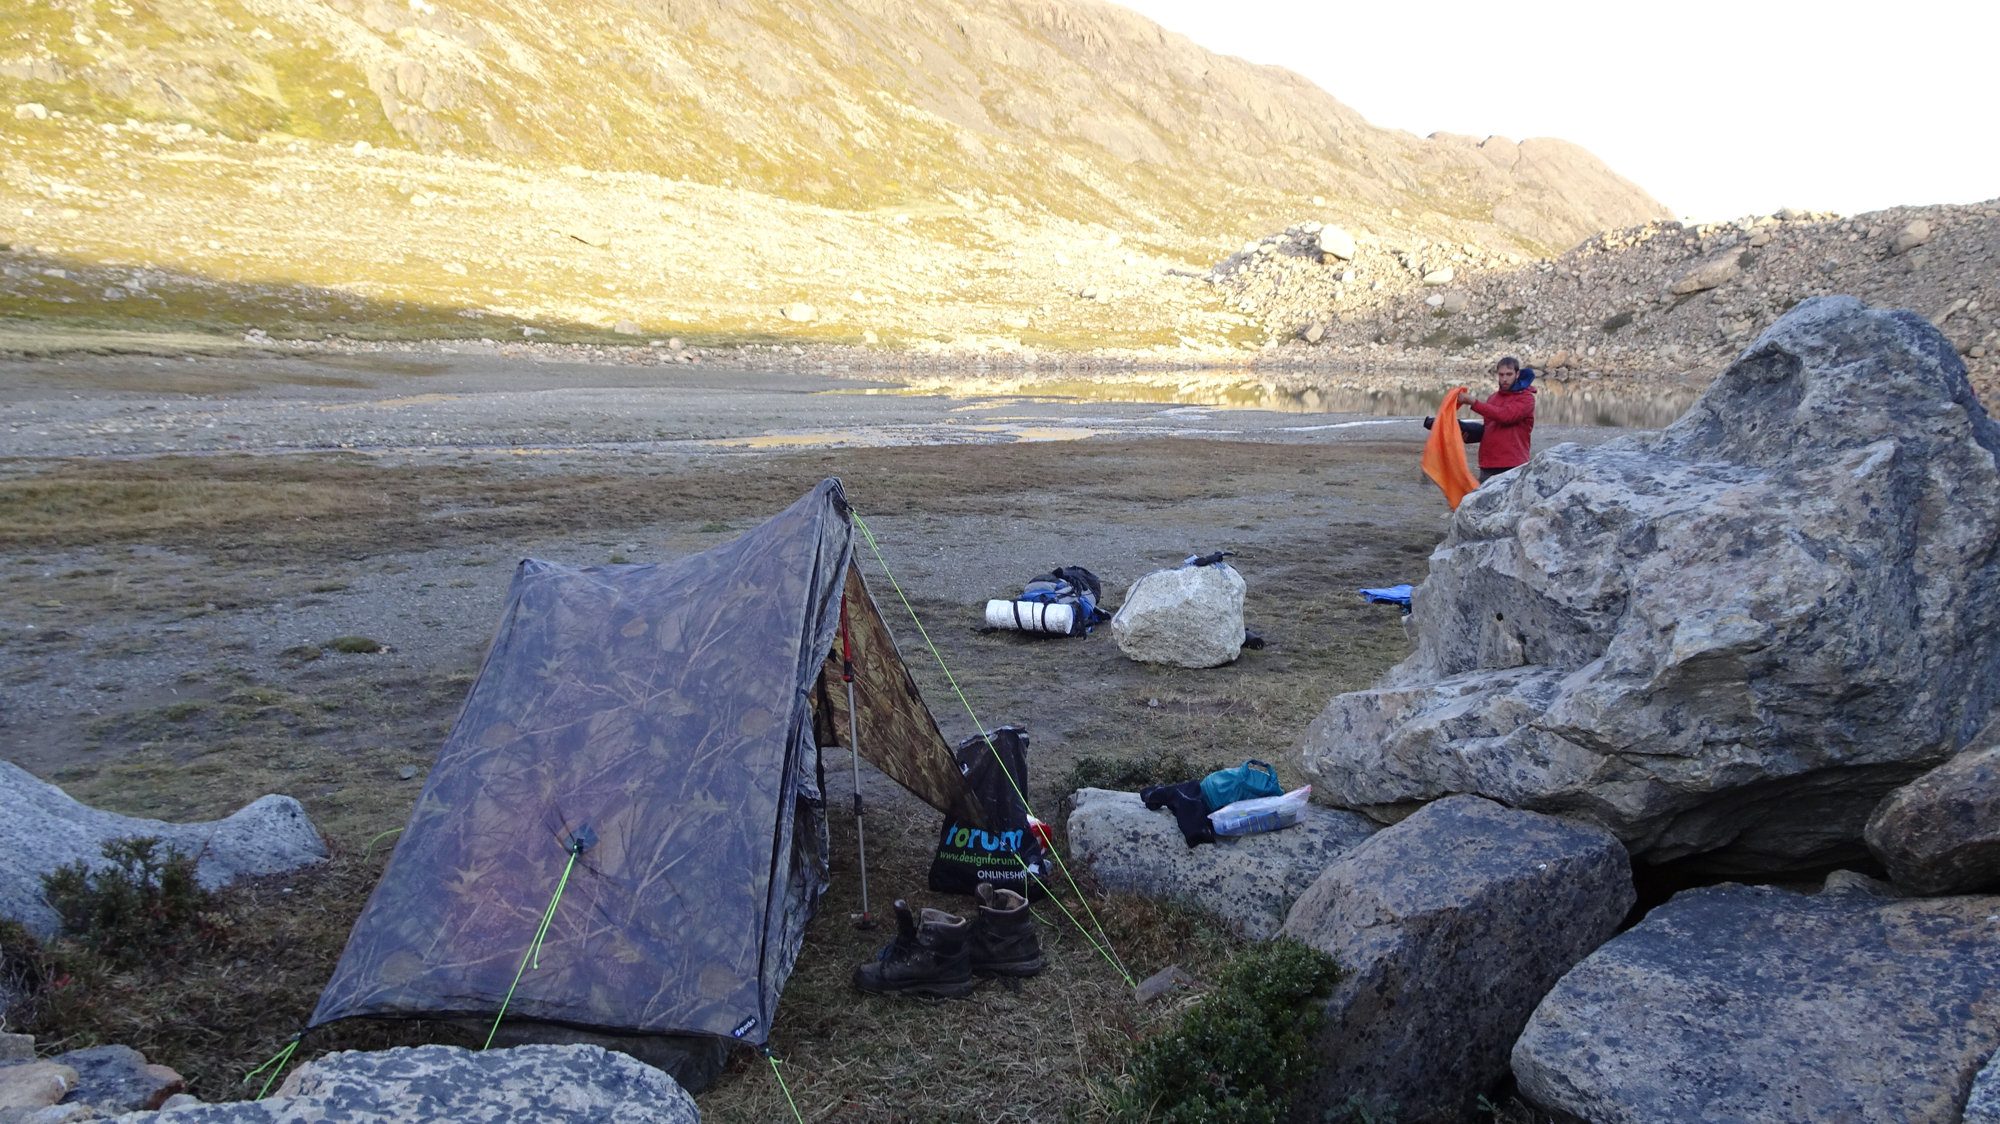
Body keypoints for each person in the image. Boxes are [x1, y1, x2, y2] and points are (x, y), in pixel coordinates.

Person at [1462, 356, 1537, 481]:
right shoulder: (1493, 398)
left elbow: (1505, 416)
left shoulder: (1526, 398)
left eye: (1509, 374)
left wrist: (1474, 403)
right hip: (1488, 464)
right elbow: (1490, 428)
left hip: (1513, 464)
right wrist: (1470, 436)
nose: (1504, 379)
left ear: (1517, 374)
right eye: (1501, 375)